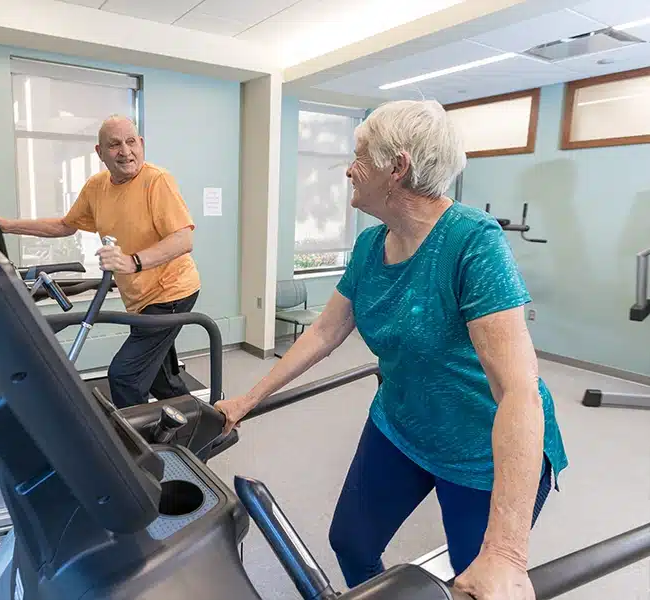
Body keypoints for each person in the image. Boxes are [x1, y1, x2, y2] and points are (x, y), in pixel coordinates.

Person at [214, 100, 568, 600]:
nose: (348, 169)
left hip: (480, 449)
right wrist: (248, 399)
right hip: (400, 426)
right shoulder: (369, 245)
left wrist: (507, 555)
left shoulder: (473, 243)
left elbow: (518, 391)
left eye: (359, 155)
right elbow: (324, 333)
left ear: (396, 167)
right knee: (350, 542)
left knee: (476, 581)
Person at [0, 115, 201, 409]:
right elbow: (64, 225)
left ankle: (135, 449)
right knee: (159, 378)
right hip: (140, 297)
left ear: (142, 144)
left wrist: (132, 262)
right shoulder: (97, 187)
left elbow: (183, 239)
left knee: (125, 375)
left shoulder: (156, 181)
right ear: (100, 153)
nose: (125, 151)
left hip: (171, 292)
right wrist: (7, 225)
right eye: (114, 145)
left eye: (131, 142)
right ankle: (201, 425)